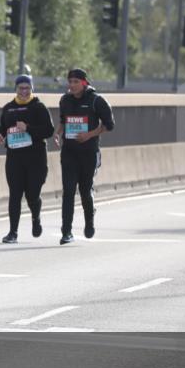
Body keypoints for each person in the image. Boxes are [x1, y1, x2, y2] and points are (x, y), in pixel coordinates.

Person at [53, 68, 115, 245]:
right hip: (69, 152)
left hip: (89, 152)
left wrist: (89, 135)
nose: (72, 85)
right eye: (70, 82)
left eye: (76, 82)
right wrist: (58, 133)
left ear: (84, 83)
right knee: (68, 191)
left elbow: (109, 125)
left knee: (85, 191)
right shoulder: (65, 100)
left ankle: (89, 220)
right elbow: (64, 121)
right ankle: (66, 232)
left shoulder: (96, 100)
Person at [0, 74, 54, 243]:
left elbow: (49, 130)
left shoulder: (39, 107)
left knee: (32, 195)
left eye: (27, 88)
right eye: (21, 88)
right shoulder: (8, 108)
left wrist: (28, 128)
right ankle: (13, 232)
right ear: (16, 89)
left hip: (36, 158)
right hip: (15, 158)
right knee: (15, 194)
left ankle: (36, 217)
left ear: (32, 88)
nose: (24, 92)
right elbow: (3, 127)